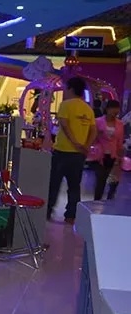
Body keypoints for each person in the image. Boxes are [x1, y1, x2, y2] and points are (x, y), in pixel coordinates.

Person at [47, 77, 96, 224]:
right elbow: (93, 131)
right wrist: (85, 146)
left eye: (65, 88)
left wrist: (75, 142)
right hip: (79, 155)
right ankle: (71, 216)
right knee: (74, 186)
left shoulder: (66, 105)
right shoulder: (88, 109)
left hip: (62, 151)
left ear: (71, 89)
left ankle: (48, 211)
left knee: (54, 184)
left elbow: (64, 125)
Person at [91, 99, 124, 201]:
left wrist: (120, 157)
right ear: (107, 109)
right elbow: (92, 139)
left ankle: (109, 202)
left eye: (117, 110)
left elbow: (120, 141)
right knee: (100, 180)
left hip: (113, 155)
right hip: (100, 155)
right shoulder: (98, 122)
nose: (115, 112)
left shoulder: (120, 124)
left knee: (113, 181)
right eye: (113, 109)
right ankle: (96, 202)